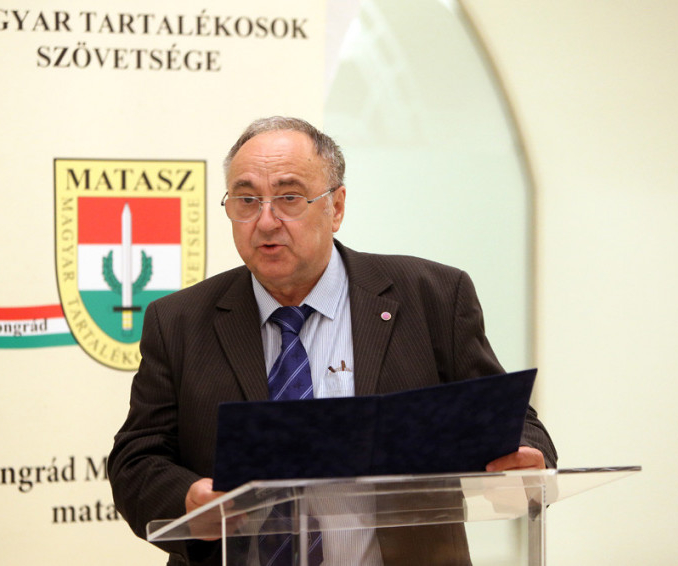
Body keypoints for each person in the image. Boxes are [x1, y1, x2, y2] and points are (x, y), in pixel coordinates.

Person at [108, 116, 558, 566]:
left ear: (336, 207)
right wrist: (187, 499)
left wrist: (530, 457)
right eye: (247, 200)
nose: (266, 221)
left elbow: (510, 421)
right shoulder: (180, 320)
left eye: (289, 197)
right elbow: (137, 458)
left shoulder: (432, 295)